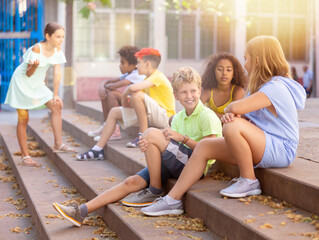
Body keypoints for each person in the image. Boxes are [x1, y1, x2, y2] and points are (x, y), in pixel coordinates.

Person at [140, 35, 306, 217]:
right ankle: (172, 200)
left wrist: (231, 112)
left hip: (282, 148)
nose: (244, 64)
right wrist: (233, 114)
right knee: (205, 146)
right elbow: (242, 114)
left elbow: (235, 107)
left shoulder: (276, 87)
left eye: (246, 58)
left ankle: (249, 180)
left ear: (257, 60)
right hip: (264, 144)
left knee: (232, 125)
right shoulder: (260, 87)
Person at [52, 66, 222, 226]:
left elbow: (209, 149)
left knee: (151, 132)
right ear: (176, 95)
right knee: (131, 181)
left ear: (200, 91)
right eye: (183, 92)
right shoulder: (178, 118)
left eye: (193, 91)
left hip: (194, 167)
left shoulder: (207, 116)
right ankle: (81, 211)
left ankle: (155, 190)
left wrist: (181, 138)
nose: (189, 95)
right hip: (176, 162)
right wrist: (150, 146)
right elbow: (172, 146)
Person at [76, 48, 175, 160]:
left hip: (165, 117)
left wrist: (124, 96)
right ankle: (98, 150)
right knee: (114, 112)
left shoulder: (158, 76)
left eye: (138, 63)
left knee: (136, 94)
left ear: (147, 64)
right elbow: (139, 101)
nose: (136, 66)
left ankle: (141, 135)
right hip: (152, 115)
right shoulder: (146, 78)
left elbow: (133, 89)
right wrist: (129, 101)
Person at [5, 22, 77, 167]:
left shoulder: (58, 50)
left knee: (56, 106)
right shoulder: (37, 49)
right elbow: (28, 73)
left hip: (38, 85)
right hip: (22, 82)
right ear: (47, 36)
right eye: (58, 37)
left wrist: (56, 94)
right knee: (23, 119)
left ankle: (58, 144)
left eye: (62, 37)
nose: (61, 40)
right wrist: (35, 66)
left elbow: (57, 72)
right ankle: (25, 156)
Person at [88, 46, 145, 142]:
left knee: (111, 94)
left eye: (123, 63)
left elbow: (113, 86)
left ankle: (114, 130)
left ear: (134, 65)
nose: (120, 65)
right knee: (107, 92)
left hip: (139, 107)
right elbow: (108, 81)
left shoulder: (137, 74)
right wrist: (102, 85)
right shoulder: (129, 73)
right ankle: (107, 126)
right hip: (131, 104)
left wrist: (104, 87)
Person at [200, 52, 246, 119]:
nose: (224, 73)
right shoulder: (207, 90)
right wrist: (223, 117)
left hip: (229, 128)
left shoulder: (237, 91)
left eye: (228, 70)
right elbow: (197, 110)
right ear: (213, 72)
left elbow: (236, 117)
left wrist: (209, 114)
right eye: (220, 69)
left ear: (234, 73)